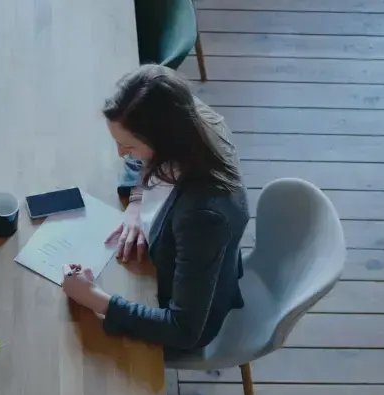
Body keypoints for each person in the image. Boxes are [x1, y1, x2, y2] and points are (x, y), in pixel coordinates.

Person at [60, 64, 248, 352]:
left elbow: (183, 330)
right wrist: (136, 202)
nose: (121, 154)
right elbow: (141, 158)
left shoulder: (203, 217)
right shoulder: (187, 118)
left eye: (128, 146)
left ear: (164, 141)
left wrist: (94, 298)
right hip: (169, 260)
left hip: (180, 312)